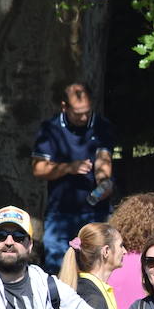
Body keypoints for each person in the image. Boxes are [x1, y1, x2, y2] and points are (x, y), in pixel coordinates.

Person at [31, 82, 117, 274]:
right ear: (64, 107)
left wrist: (104, 182)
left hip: (95, 213)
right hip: (60, 213)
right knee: (57, 268)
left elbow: (103, 159)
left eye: (87, 111)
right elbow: (38, 169)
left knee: (97, 268)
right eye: (78, 113)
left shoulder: (102, 126)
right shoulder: (49, 129)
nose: (84, 117)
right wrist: (69, 168)